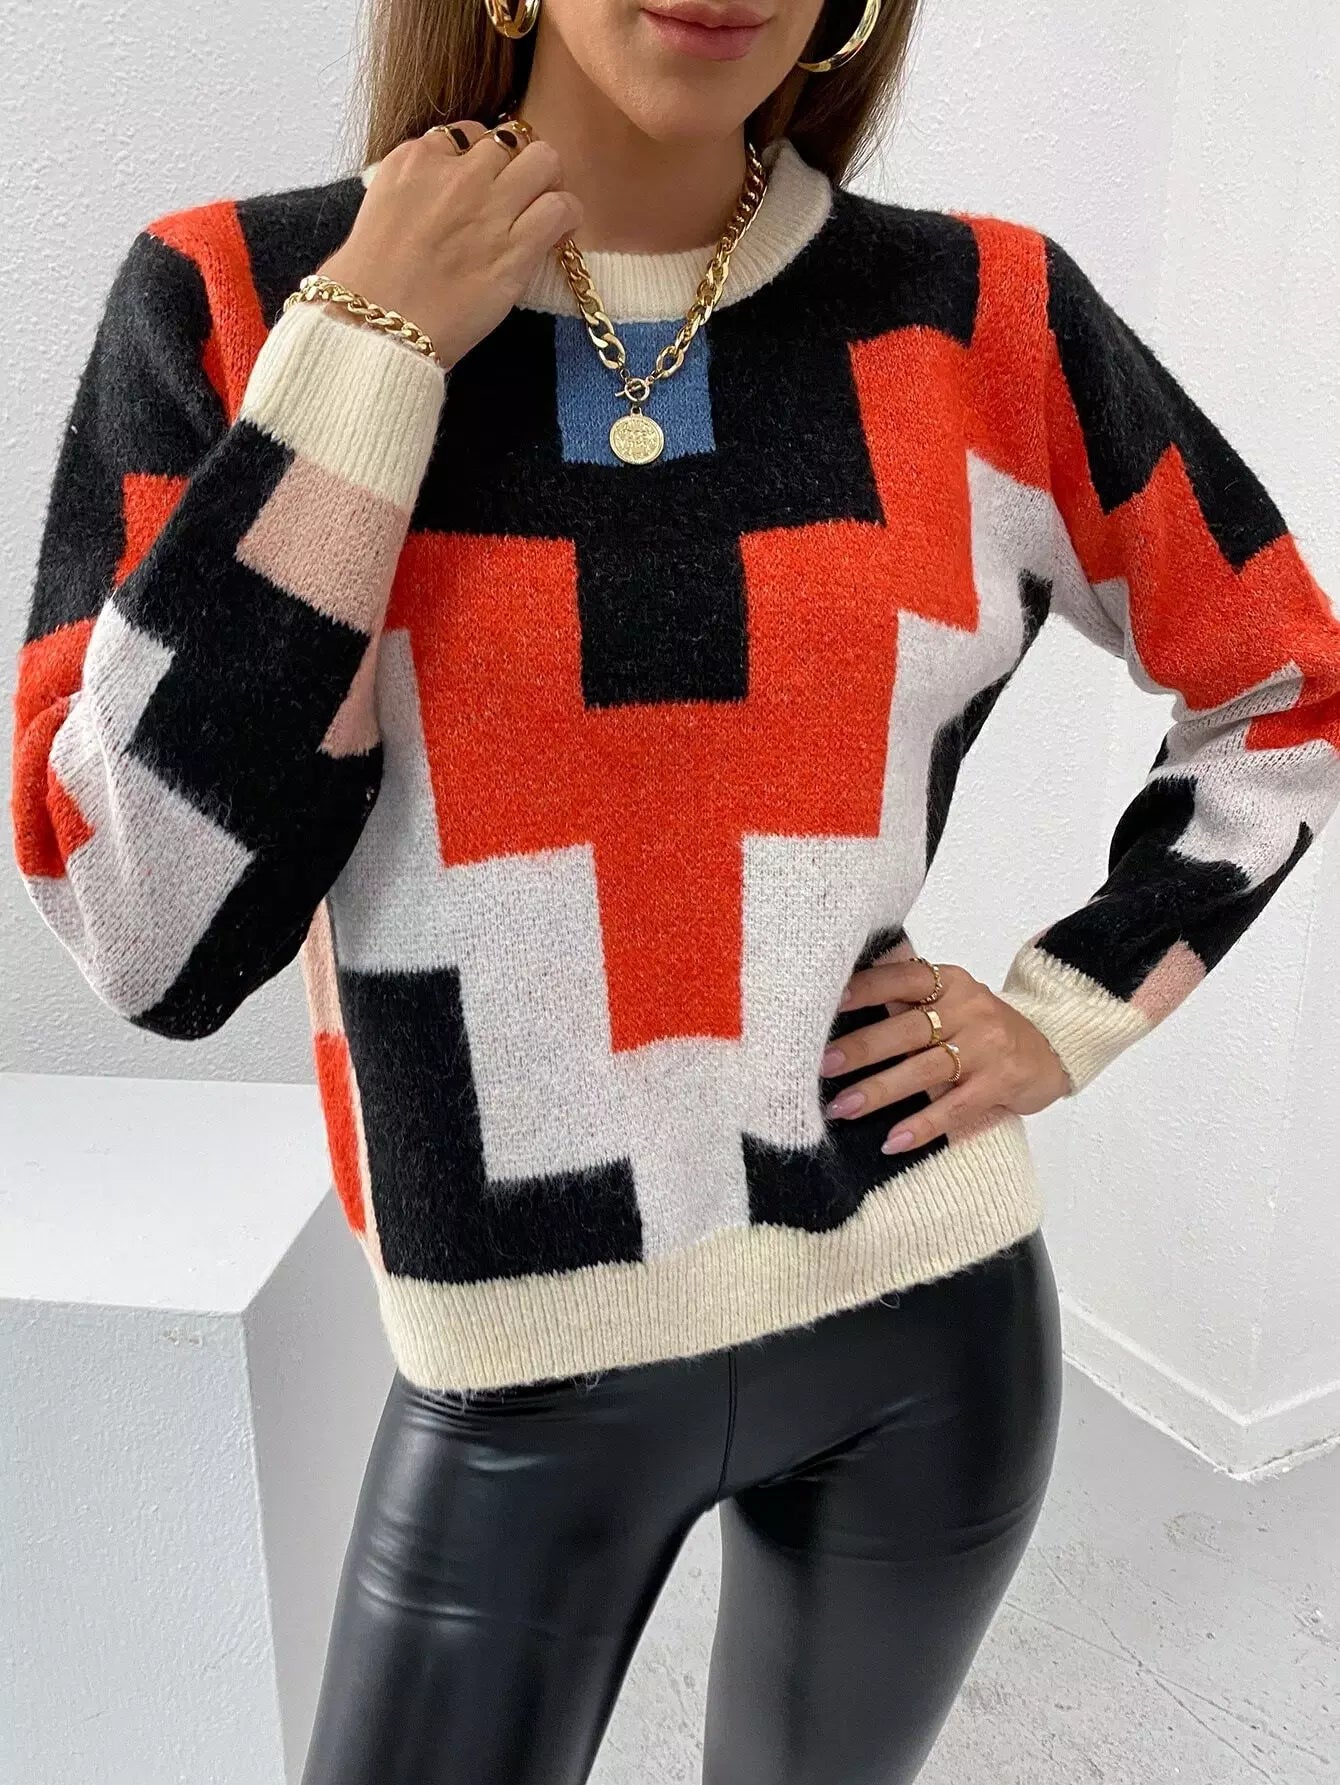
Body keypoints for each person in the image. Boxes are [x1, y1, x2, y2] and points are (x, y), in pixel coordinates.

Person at [10, 0, 1340, 1779]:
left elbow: (1286, 683)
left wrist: (1066, 1008)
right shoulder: (237, 301)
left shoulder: (985, 318)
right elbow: (147, 932)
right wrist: (365, 356)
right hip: (511, 1373)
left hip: (923, 1317)